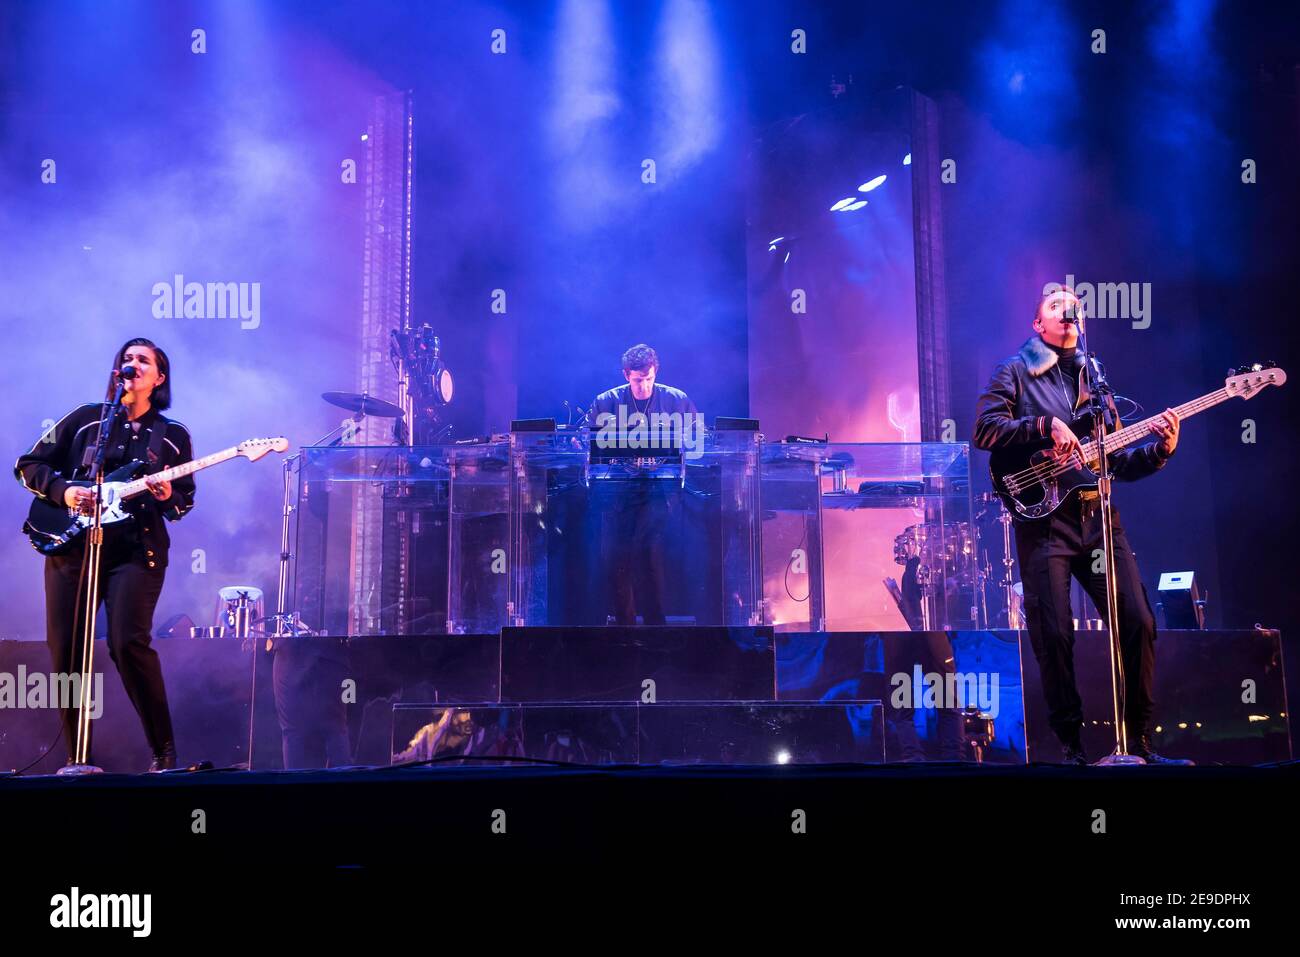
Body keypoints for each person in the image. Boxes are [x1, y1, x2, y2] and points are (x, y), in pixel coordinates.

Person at [973, 288, 1191, 765]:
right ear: (1037, 325)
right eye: (1056, 305)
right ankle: (1070, 748)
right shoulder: (1014, 370)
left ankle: (1140, 744)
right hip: (1045, 523)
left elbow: (1113, 462)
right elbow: (985, 430)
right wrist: (1043, 425)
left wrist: (1159, 451)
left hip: (1099, 520)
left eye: (1074, 306)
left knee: (1138, 620)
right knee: (1055, 635)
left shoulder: (1096, 378)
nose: (1068, 311)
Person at [15, 338, 195, 771]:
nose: (132, 365)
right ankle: (79, 758)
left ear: (159, 378)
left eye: (143, 360)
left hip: (136, 551)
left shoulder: (172, 437)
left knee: (127, 642)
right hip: (73, 547)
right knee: (68, 650)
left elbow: (184, 502)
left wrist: (169, 493)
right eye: (126, 359)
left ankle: (163, 753)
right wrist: (66, 491)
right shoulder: (82, 419)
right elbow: (28, 464)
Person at [587, 344, 698, 626]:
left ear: (655, 372)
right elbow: (587, 447)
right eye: (638, 380)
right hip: (617, 490)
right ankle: (625, 626)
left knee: (648, 552)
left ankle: (654, 625)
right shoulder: (606, 401)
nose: (644, 386)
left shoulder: (675, 400)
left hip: (658, 489)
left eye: (649, 379)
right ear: (626, 375)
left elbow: (697, 442)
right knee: (614, 556)